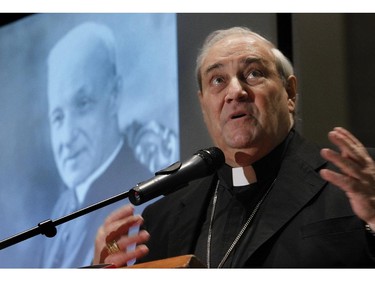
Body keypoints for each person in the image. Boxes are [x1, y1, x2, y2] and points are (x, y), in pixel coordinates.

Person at [93, 26, 375, 268]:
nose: (235, 92)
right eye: (218, 80)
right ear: (204, 104)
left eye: (253, 74)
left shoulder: (358, 183)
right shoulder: (161, 219)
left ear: (289, 93)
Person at [40, 22, 154, 268]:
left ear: (114, 97)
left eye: (82, 104)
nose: (67, 137)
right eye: (57, 117)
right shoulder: (62, 208)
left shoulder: (143, 198)